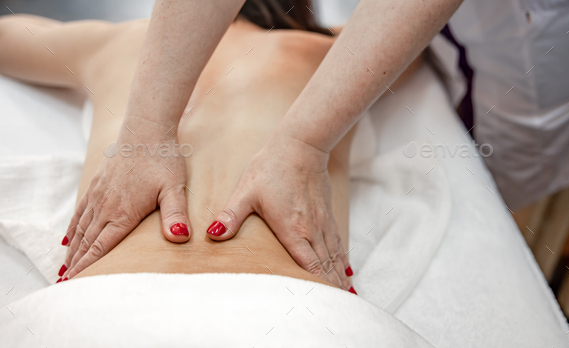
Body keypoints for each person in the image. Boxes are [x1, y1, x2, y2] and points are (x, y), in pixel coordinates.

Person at [0, 1, 422, 288]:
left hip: (106, 296)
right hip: (292, 306)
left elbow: (9, 35)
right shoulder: (334, 60)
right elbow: (409, 33)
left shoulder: (124, 41)